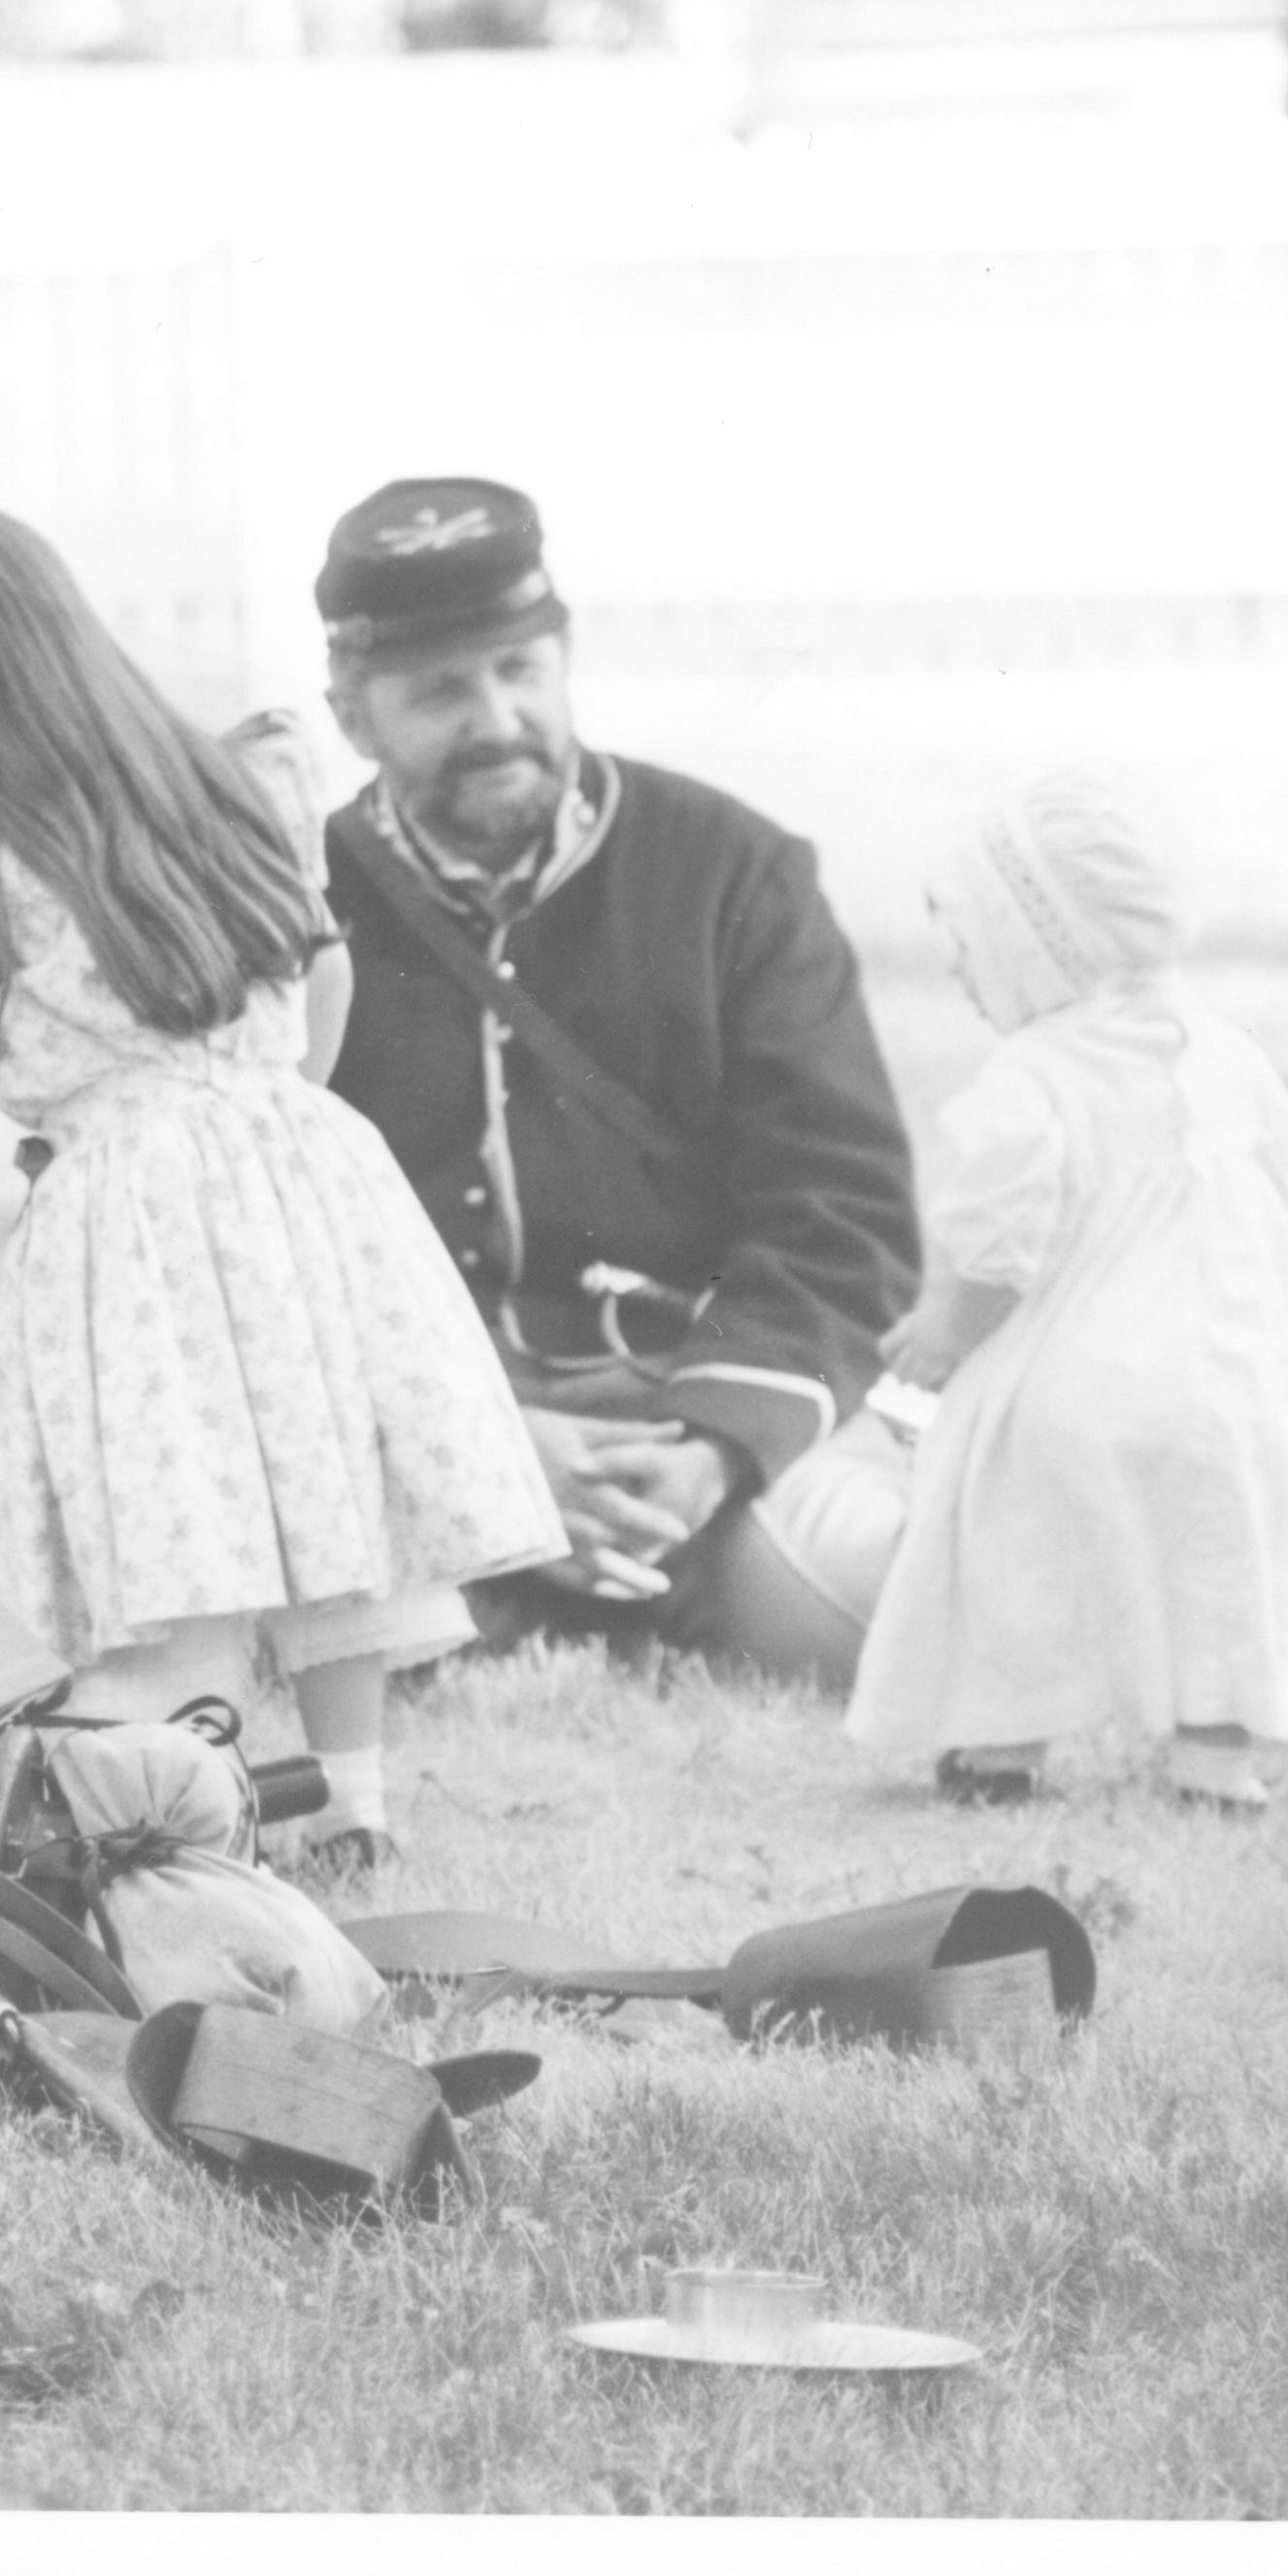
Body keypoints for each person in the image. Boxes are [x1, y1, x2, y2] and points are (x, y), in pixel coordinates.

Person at [0, 500, 566, 1864]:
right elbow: (326, 969)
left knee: (177, 1502)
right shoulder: (233, 781)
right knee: (319, 1499)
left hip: (125, 1206)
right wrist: (267, 1113)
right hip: (299, 1172)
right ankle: (353, 1802)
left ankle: (199, 1801)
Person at [311, 478, 925, 1683]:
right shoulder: (296, 904)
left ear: (564, 657)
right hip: (414, 1438)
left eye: (520, 670)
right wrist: (482, 1445)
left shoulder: (731, 873)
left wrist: (706, 1455)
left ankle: (597, 1588)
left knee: (891, 1614)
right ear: (352, 710)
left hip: (688, 1414)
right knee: (277, 1629)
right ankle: (518, 1593)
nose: (496, 718)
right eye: (439, 690)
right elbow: (268, 1261)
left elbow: (839, 1218)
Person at [843, 767, 1288, 1809]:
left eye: (967, 938)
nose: (957, 964)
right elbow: (1272, 1200)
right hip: (1229, 1379)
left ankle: (998, 1746)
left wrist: (941, 1331)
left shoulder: (1034, 1077)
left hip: (1079, 1382)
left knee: (1008, 1535)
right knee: (1217, 1557)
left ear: (1032, 937)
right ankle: (1215, 1759)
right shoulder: (1232, 1057)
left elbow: (998, 1248)